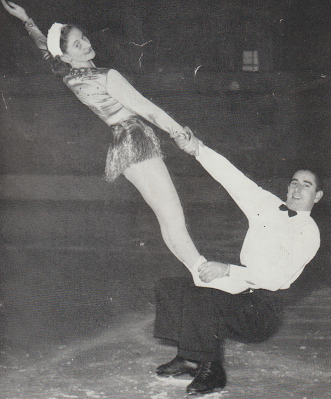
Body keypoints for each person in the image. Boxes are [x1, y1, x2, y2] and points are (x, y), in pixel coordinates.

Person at [1, 0, 207, 272]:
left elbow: (46, 50)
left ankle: (196, 271)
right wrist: (181, 135)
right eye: (78, 45)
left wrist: (26, 20)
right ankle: (205, 271)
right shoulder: (106, 76)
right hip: (138, 141)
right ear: (67, 56)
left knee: (165, 218)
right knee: (173, 216)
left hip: (121, 147)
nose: (86, 44)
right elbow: (148, 110)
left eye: (83, 37)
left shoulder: (69, 77)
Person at [153, 129, 323, 395]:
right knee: (172, 288)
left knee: (204, 300)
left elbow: (276, 277)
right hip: (241, 290)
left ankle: (213, 372)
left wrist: (228, 270)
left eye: (307, 185)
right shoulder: (268, 205)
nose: (297, 188)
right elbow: (233, 178)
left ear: (318, 196)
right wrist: (198, 149)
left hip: (263, 309)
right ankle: (189, 359)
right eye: (294, 182)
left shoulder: (308, 231)